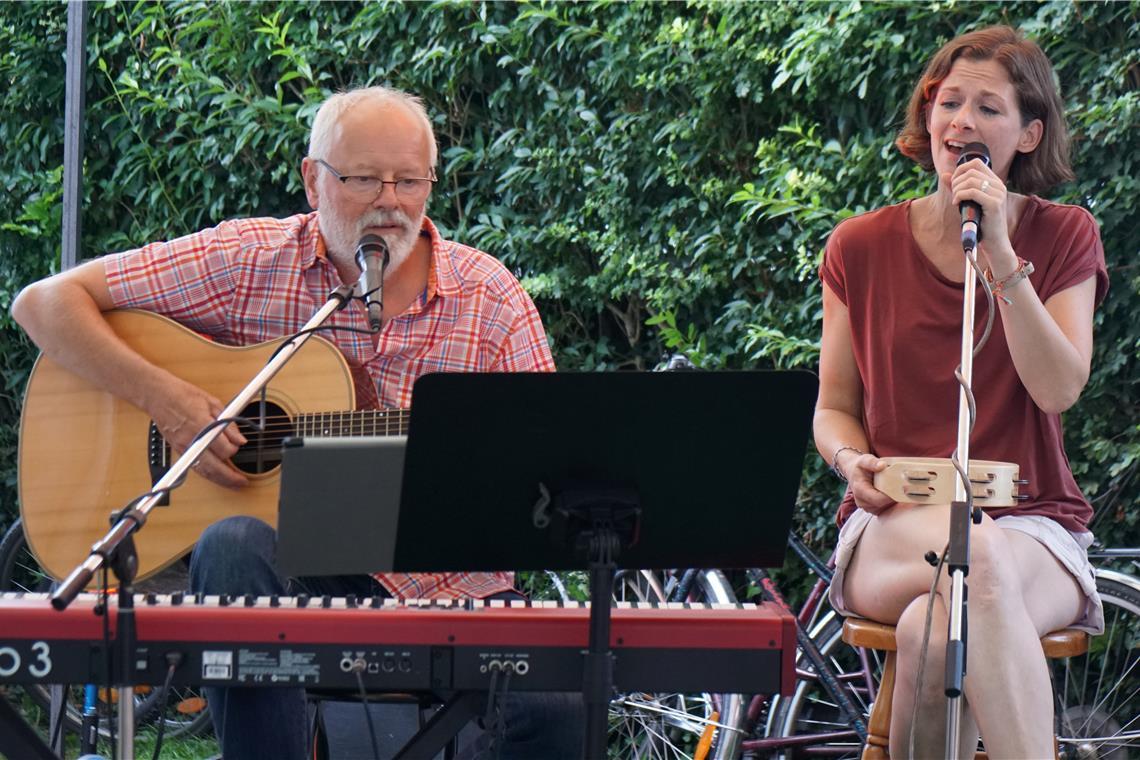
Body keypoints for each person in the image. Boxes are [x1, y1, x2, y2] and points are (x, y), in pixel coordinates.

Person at [12, 85, 581, 759]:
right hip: (293, 575)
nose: (390, 202)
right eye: (365, 178)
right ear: (314, 180)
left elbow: (548, 470)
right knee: (230, 545)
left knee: (557, 706)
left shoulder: (491, 299)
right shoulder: (249, 261)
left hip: (446, 587)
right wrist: (168, 399)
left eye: (409, 180)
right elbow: (43, 305)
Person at [812, 26, 1109, 758]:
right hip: (894, 525)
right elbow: (833, 408)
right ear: (928, 117)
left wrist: (1004, 256)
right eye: (950, 103)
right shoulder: (860, 246)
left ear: (1029, 133)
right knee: (971, 551)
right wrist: (855, 466)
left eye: (989, 108)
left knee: (933, 630)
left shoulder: (1065, 236)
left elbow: (1058, 388)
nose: (963, 122)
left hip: (1033, 524)